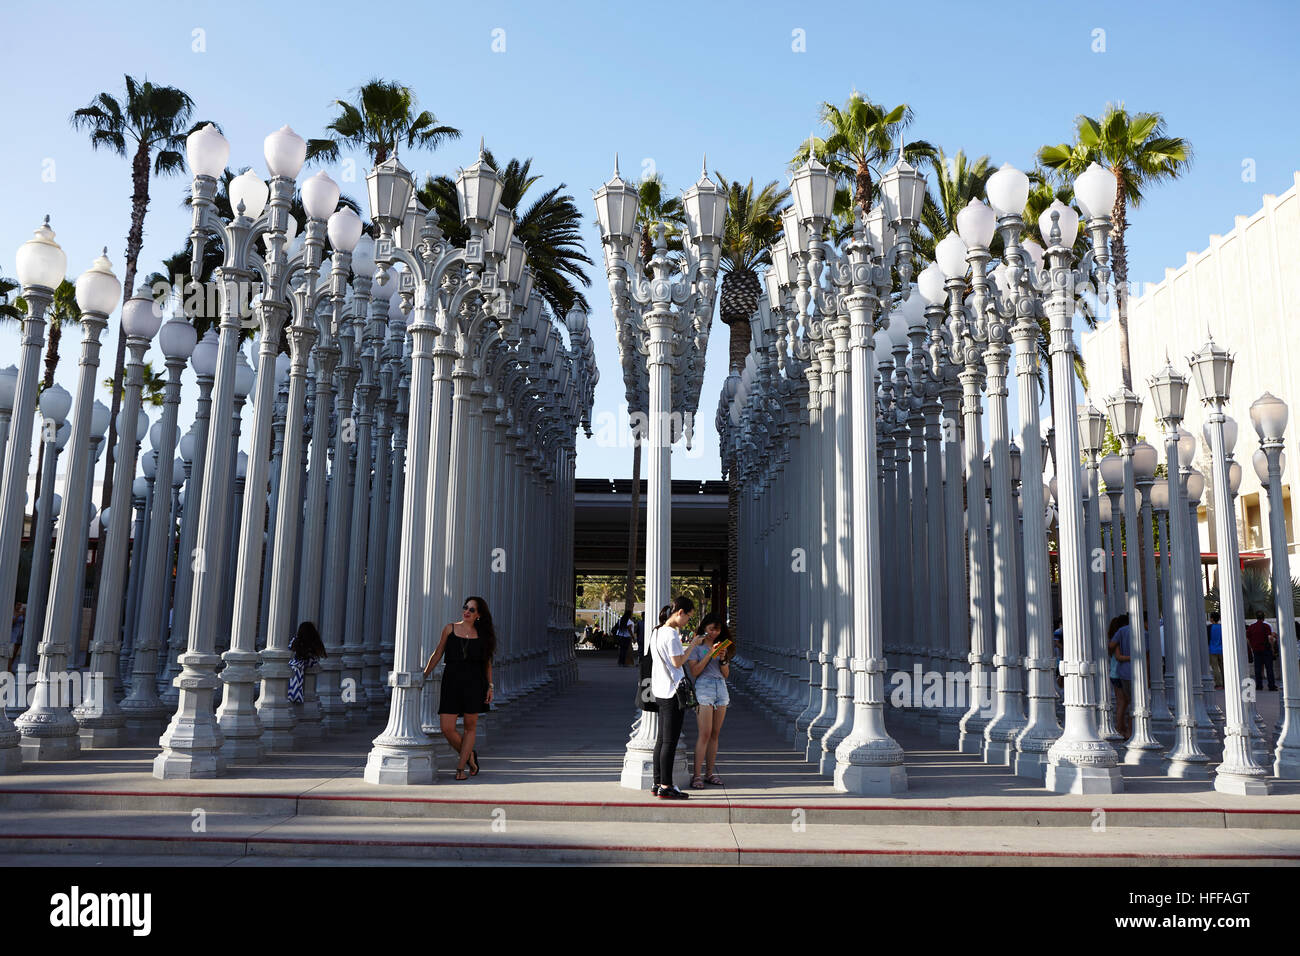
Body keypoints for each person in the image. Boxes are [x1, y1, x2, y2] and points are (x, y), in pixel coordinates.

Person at [424, 596, 496, 781]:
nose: (467, 611)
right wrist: (423, 675)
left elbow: (487, 664)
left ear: (479, 615)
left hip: (475, 683)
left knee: (470, 727)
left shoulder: (483, 636)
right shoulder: (450, 628)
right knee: (447, 728)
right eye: (466, 607)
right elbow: (438, 653)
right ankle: (470, 755)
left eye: (472, 609)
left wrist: (490, 686)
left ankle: (460, 768)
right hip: (452, 681)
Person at [650, 595, 701, 800]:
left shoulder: (656, 631)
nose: (687, 621)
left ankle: (657, 782)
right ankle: (666, 785)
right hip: (672, 692)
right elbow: (678, 662)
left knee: (661, 740)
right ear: (679, 612)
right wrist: (693, 645)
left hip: (661, 690)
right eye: (688, 617)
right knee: (670, 742)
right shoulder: (671, 634)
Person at [687, 613, 732, 789]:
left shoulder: (723, 646)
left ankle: (710, 773)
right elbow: (695, 672)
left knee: (715, 734)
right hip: (704, 688)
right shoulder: (697, 647)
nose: (714, 632)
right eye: (711, 629)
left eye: (717, 629)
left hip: (720, 688)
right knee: (704, 733)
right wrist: (709, 654)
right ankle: (697, 775)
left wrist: (722, 658)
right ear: (704, 628)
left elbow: (726, 675)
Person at [287, 621, 326, 704]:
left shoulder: (295, 641)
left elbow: (290, 650)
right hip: (304, 667)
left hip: (294, 666)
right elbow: (316, 659)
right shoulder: (314, 642)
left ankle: (293, 694)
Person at [1108, 613, 1132, 739]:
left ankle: (1120, 727)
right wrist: (1134, 657)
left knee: (1122, 702)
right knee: (1123, 702)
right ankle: (1119, 727)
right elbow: (1118, 657)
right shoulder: (1118, 640)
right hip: (1118, 673)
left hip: (1114, 673)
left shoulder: (1115, 639)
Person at [1246, 612, 1278, 692]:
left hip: (1256, 650)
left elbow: (1248, 639)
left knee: (1257, 669)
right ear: (1264, 618)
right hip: (1266, 649)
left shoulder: (1251, 627)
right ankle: (1271, 685)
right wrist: (1272, 648)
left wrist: (1252, 647)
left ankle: (1259, 686)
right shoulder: (1266, 626)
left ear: (1256, 617)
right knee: (1269, 668)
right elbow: (1270, 638)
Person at [1208, 611, 1224, 689]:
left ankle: (1219, 683)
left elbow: (1207, 639)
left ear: (1211, 619)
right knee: (1223, 667)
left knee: (1215, 668)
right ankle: (1225, 682)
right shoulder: (1222, 627)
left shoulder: (1209, 628)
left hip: (1212, 649)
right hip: (1222, 649)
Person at [7, 603, 24, 672]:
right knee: (11, 652)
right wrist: (18, 615)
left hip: (19, 634)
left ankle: (10, 666)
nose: (19, 606)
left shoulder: (21, 613)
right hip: (12, 633)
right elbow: (11, 622)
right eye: (18, 604)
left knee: (15, 653)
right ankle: (9, 668)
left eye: (20, 605)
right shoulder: (12, 612)